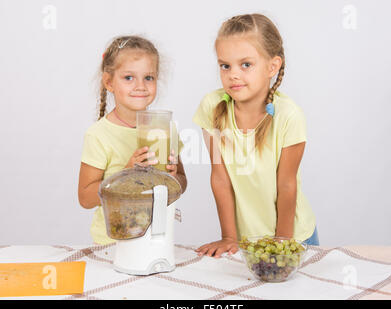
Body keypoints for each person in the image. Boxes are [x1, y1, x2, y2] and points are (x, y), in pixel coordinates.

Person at [193, 14, 319, 258]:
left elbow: (286, 184)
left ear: (272, 66)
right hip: (246, 242)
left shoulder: (288, 116)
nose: (233, 74)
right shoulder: (212, 106)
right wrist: (229, 237)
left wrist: (282, 243)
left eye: (246, 65)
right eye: (225, 65)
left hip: (293, 237)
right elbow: (220, 178)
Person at [78, 35, 187, 245]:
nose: (140, 86)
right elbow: (85, 198)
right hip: (113, 244)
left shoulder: (165, 128)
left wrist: (173, 179)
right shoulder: (99, 134)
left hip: (156, 239)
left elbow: (181, 182)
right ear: (109, 82)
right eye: (129, 78)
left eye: (149, 78)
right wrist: (126, 174)